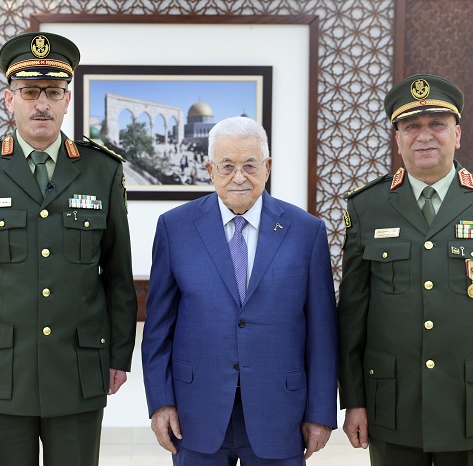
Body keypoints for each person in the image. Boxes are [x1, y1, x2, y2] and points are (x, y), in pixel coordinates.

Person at [0, 32, 138, 466]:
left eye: (53, 92)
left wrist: (119, 354)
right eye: (30, 92)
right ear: (10, 100)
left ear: (68, 100)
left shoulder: (102, 170)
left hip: (78, 368)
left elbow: (119, 276)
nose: (41, 103)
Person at [337, 74, 473, 466]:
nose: (424, 136)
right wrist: (354, 401)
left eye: (437, 124)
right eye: (411, 126)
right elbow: (351, 319)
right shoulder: (366, 207)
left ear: (457, 134)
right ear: (398, 139)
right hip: (391, 405)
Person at [142, 116, 338, 465]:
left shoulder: (306, 232)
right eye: (227, 166)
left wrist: (320, 413)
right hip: (194, 412)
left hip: (280, 413)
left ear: (267, 167)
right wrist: (160, 403)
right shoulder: (175, 227)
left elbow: (322, 333)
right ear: (210, 169)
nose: (239, 177)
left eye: (250, 165)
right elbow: (158, 329)